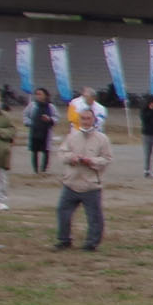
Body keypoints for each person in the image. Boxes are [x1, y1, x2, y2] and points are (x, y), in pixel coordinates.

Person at [54, 97, 112, 251]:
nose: (85, 121)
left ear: (94, 120)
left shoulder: (102, 139)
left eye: (88, 119)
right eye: (83, 119)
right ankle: (64, 240)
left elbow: (107, 159)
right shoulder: (72, 137)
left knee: (94, 217)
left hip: (91, 185)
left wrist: (91, 161)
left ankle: (92, 243)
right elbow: (61, 154)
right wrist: (72, 158)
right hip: (71, 183)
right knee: (63, 213)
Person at [24, 88, 54, 175]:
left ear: (45, 95)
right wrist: (30, 123)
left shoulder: (50, 106)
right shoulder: (32, 105)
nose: (38, 96)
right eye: (36, 94)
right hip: (34, 131)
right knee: (34, 150)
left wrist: (50, 119)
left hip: (46, 131)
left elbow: (56, 117)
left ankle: (43, 169)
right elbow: (25, 115)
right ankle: (35, 170)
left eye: (40, 94)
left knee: (46, 150)